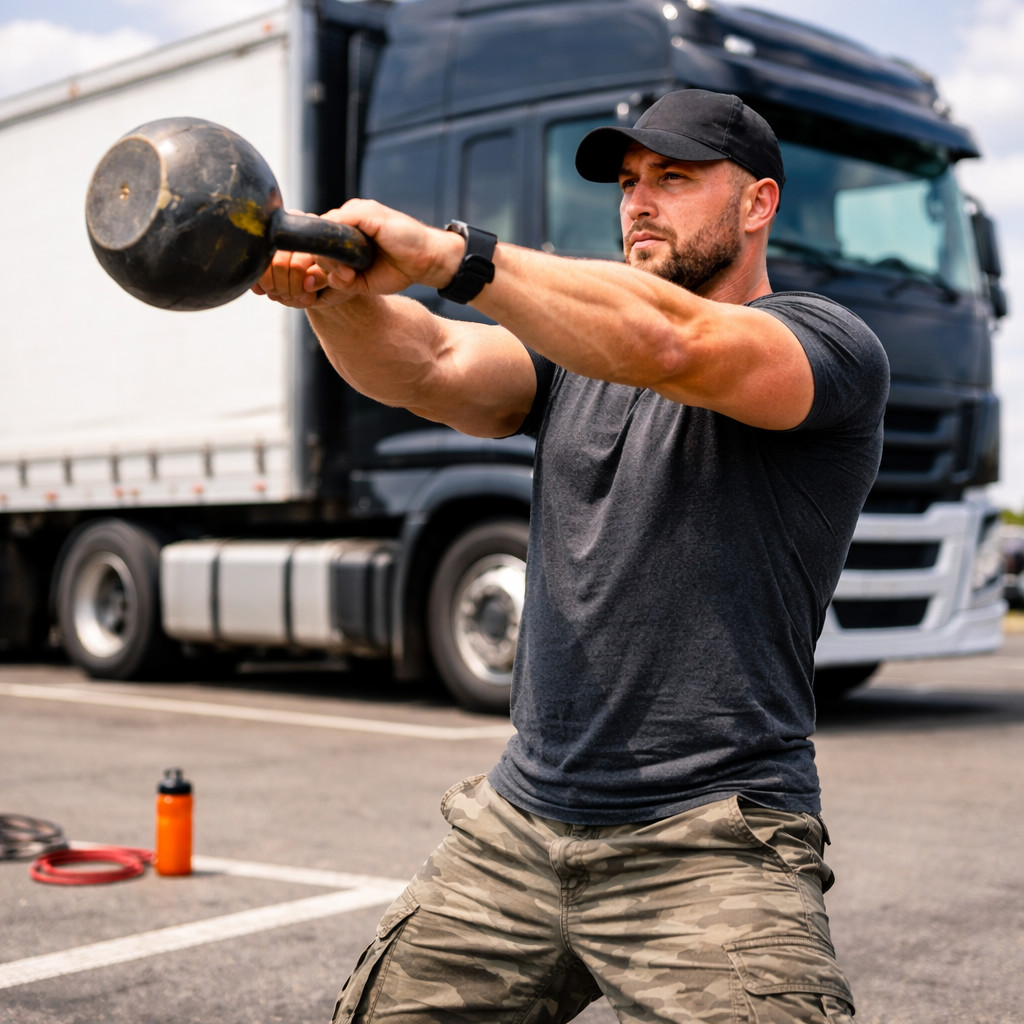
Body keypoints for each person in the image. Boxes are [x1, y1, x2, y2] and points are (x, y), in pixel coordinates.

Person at [254, 89, 889, 1024]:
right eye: (631, 181)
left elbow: (674, 344)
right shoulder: (572, 363)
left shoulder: (827, 346)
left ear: (758, 204)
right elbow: (428, 364)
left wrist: (453, 254)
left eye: (673, 177)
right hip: (520, 823)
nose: (640, 200)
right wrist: (330, 295)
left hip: (708, 838)